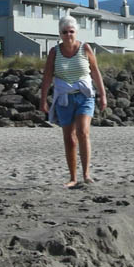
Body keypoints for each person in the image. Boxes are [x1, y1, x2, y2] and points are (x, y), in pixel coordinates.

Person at [40, 16, 107, 188]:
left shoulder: (85, 48)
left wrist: (103, 95)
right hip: (64, 98)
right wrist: (43, 99)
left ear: (76, 32)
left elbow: (95, 71)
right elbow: (47, 76)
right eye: (65, 32)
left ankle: (86, 174)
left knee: (83, 132)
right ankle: (73, 177)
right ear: (60, 34)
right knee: (69, 138)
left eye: (71, 31)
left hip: (84, 95)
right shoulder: (54, 52)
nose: (68, 35)